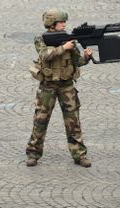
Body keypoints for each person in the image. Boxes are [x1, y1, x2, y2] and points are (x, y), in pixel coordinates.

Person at [26, 8, 92, 167]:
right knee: (40, 120)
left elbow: (77, 61)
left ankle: (79, 154)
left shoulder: (68, 39)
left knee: (73, 121)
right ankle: (33, 153)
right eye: (61, 22)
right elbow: (45, 55)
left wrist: (87, 57)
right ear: (52, 23)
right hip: (47, 86)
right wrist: (64, 48)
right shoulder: (41, 39)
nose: (64, 24)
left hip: (66, 86)